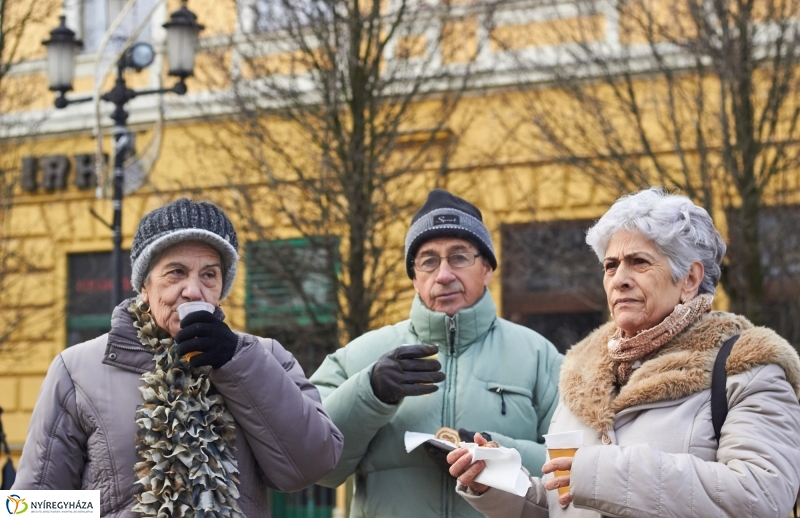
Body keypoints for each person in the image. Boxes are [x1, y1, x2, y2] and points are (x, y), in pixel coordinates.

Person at [450, 188, 800, 518]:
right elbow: (566, 503)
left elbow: (762, 496)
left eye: (639, 262)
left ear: (690, 279)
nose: (619, 279)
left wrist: (603, 474)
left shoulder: (746, 369)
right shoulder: (582, 373)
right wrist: (501, 483)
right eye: (610, 265)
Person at [13, 198, 344, 517]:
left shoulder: (263, 357)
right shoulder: (76, 370)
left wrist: (236, 362)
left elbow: (312, 464)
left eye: (209, 275)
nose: (193, 290)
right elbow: (32, 505)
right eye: (176, 272)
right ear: (144, 285)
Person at [310, 189, 563, 518]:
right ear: (415, 278)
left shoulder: (540, 357)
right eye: (428, 261)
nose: (443, 275)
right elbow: (313, 464)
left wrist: (495, 453)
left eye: (459, 257)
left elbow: (574, 469)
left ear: (487, 268)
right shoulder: (357, 356)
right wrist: (369, 393)